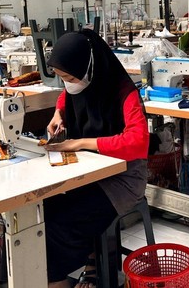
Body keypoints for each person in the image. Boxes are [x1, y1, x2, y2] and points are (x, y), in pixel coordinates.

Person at [42, 29, 149, 288]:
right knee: (43, 210)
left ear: (89, 67)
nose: (67, 83)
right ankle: (90, 264)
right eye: (62, 78)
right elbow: (66, 95)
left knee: (59, 227)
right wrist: (58, 113)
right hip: (91, 170)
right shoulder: (80, 83)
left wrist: (80, 143)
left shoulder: (124, 92)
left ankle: (60, 275)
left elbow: (138, 142)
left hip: (123, 179)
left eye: (69, 77)